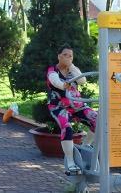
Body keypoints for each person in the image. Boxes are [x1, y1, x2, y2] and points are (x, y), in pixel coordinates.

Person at [46, 46, 98, 175]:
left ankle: (85, 146)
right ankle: (70, 161)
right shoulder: (52, 70)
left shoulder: (73, 69)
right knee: (67, 126)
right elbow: (55, 82)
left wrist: (72, 67)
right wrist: (64, 85)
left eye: (71, 56)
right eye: (65, 55)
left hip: (77, 105)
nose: (68, 57)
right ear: (59, 56)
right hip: (59, 106)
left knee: (98, 120)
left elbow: (82, 80)